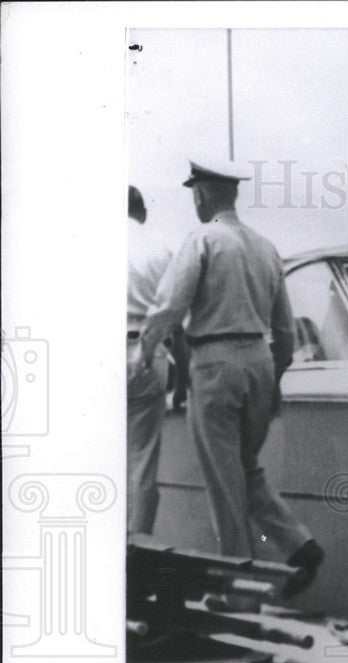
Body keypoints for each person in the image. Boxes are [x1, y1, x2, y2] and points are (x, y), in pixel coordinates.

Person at [141, 160, 324, 593]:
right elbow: (284, 328)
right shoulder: (266, 247)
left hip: (215, 363)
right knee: (245, 471)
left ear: (200, 194)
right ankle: (299, 545)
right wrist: (274, 380)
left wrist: (142, 352)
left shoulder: (202, 239)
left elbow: (168, 307)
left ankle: (237, 591)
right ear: (233, 195)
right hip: (259, 362)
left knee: (224, 486)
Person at [127, 185, 173, 535]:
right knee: (143, 461)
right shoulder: (159, 251)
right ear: (142, 213)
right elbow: (174, 317)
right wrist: (183, 376)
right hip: (148, 353)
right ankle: (138, 545)